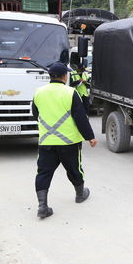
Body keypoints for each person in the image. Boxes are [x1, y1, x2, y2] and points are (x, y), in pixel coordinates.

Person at [31, 62, 97, 219]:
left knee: (43, 173)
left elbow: (35, 114)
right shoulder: (70, 93)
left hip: (47, 141)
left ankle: (42, 206)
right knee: (74, 169)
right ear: (64, 76)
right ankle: (80, 194)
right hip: (69, 142)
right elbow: (80, 118)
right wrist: (90, 137)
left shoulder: (39, 92)